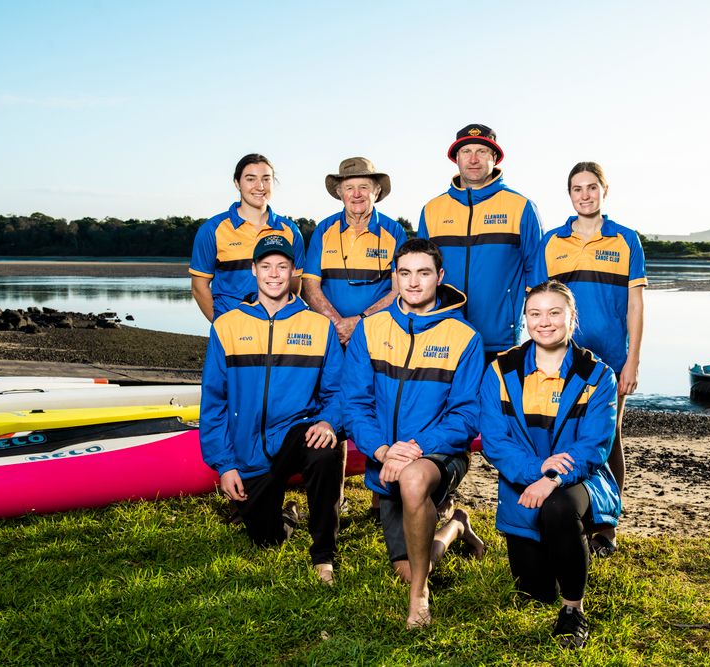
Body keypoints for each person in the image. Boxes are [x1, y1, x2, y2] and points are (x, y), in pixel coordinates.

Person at [342, 238, 486, 628]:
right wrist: (384, 450)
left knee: (413, 478)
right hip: (385, 459)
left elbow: (467, 415)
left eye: (424, 273)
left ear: (439, 277)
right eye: (405, 273)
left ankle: (418, 596)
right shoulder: (369, 330)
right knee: (406, 564)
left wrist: (416, 448)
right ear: (395, 277)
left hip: (439, 454)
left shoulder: (464, 337)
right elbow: (355, 403)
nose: (414, 282)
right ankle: (455, 525)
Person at [480, 280, 621, 649]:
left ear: (572, 319)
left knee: (558, 508)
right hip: (524, 484)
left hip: (578, 482)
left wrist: (555, 477)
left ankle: (573, 611)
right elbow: (495, 443)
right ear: (524, 318)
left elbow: (594, 447)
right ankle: (571, 550)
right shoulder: (501, 370)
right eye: (535, 313)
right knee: (534, 592)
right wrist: (539, 471)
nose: (545, 322)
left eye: (555, 313)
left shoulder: (599, 375)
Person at [199, 234, 344, 583]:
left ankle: (323, 553)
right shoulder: (227, 326)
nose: (274, 274)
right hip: (249, 449)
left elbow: (339, 391)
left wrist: (328, 422)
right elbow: (214, 401)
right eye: (266, 266)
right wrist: (225, 465)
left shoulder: (317, 326)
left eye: (282, 266)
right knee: (265, 540)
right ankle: (287, 516)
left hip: (295, 434)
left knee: (323, 449)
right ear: (253, 270)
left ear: (294, 271)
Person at [531, 161, 646, 556]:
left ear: (604, 191)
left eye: (592, 187)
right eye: (577, 188)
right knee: (563, 435)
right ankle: (570, 516)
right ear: (570, 195)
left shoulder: (627, 240)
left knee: (608, 437)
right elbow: (539, 303)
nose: (585, 195)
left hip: (611, 358)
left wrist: (632, 360)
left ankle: (605, 526)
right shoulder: (551, 242)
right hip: (559, 358)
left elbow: (635, 305)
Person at [419, 123, 542, 362]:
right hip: (442, 334)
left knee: (496, 400)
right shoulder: (432, 210)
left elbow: (537, 274)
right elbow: (421, 273)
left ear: (494, 158)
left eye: (482, 152)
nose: (473, 159)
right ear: (456, 159)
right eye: (466, 152)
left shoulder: (521, 207)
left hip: (500, 339)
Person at [303, 157, 407, 346]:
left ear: (376, 191)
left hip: (379, 335)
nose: (356, 194)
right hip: (331, 335)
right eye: (349, 187)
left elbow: (399, 291)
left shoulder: (395, 232)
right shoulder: (323, 230)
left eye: (364, 187)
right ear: (339, 192)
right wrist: (339, 325)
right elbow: (310, 287)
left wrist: (358, 322)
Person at [190, 154, 306, 322]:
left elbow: (294, 285)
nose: (260, 186)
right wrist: (221, 326)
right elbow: (199, 288)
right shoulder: (212, 230)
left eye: (266, 179)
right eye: (251, 179)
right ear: (237, 183)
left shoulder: (290, 231)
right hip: (232, 329)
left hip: (277, 329)